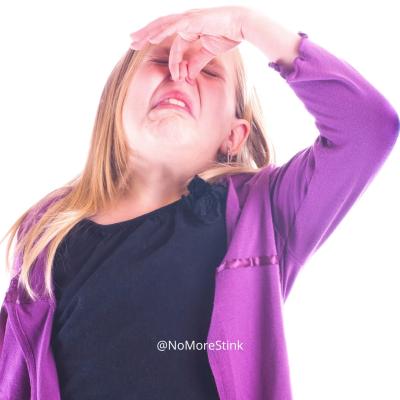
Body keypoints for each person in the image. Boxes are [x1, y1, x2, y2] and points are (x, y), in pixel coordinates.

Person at [0, 5, 398, 400]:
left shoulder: (262, 214)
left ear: (234, 135)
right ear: (116, 102)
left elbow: (369, 128)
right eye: (161, 60)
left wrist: (248, 24)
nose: (182, 73)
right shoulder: (49, 230)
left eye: (209, 71)